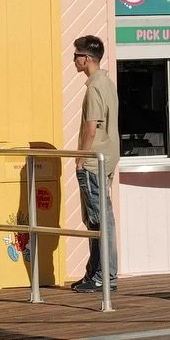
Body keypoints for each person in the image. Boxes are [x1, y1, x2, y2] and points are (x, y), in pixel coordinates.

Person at [71, 35, 118, 294]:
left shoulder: (94, 88)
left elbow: (91, 128)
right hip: (107, 158)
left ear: (86, 58)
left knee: (98, 220)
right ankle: (95, 272)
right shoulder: (107, 83)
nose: (73, 60)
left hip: (93, 162)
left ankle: (103, 275)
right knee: (99, 219)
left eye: (76, 55)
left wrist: (80, 158)